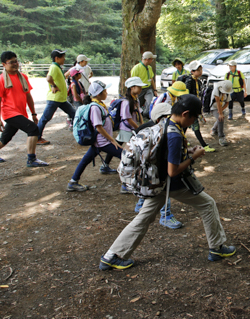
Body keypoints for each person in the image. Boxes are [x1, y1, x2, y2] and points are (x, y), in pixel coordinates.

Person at [98, 94, 236, 270]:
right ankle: (217, 248)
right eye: (193, 119)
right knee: (208, 204)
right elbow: (173, 170)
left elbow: (167, 154)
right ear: (185, 114)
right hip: (170, 182)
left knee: (143, 217)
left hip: (156, 181)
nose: (193, 123)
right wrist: (194, 157)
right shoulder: (175, 134)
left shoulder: (165, 123)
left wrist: (187, 152)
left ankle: (112, 255)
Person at [0, 51, 49, 168]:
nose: (15, 64)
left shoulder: (22, 77)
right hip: (10, 113)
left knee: (5, 138)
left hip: (20, 113)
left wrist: (34, 113)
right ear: (4, 64)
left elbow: (28, 96)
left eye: (16, 61)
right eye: (11, 62)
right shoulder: (1, 80)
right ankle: (31, 159)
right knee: (33, 129)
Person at [133, 103, 184, 230]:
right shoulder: (153, 130)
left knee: (150, 186)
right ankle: (165, 216)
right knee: (162, 186)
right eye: (166, 117)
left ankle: (141, 203)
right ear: (157, 119)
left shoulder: (170, 128)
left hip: (147, 168)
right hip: (149, 167)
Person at [67, 81, 123, 192]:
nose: (106, 93)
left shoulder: (99, 105)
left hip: (99, 142)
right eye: (105, 91)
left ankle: (73, 181)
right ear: (98, 94)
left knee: (85, 160)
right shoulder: (95, 108)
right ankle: (129, 183)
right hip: (103, 142)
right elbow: (98, 127)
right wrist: (112, 140)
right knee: (125, 156)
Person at [100, 77, 146, 175]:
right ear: (132, 88)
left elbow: (138, 113)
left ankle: (105, 165)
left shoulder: (135, 99)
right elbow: (127, 118)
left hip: (130, 128)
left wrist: (141, 124)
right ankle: (129, 168)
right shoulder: (126, 102)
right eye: (139, 87)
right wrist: (138, 127)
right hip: (127, 129)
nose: (141, 89)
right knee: (127, 148)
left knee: (116, 145)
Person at [37, 49, 76, 145]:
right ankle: (37, 137)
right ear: (57, 58)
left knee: (74, 113)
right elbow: (49, 78)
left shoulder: (58, 67)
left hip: (61, 99)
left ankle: (81, 132)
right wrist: (53, 86)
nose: (64, 59)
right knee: (45, 118)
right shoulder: (54, 67)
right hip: (55, 98)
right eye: (62, 57)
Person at [184, 61, 215, 153]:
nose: (200, 72)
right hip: (191, 107)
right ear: (192, 71)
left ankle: (183, 140)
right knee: (196, 127)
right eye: (198, 70)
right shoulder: (189, 81)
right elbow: (188, 95)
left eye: (201, 69)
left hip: (194, 106)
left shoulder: (198, 81)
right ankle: (204, 145)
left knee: (185, 126)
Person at [130, 51, 158, 118]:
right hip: (139, 89)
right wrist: (134, 92)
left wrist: (154, 90)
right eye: (151, 59)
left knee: (150, 101)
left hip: (148, 88)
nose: (152, 61)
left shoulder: (149, 68)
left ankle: (147, 115)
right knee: (138, 104)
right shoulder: (136, 68)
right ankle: (139, 116)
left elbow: (151, 79)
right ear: (147, 59)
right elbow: (132, 81)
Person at [210, 80, 233, 147]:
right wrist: (220, 113)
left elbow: (227, 103)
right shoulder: (216, 89)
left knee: (221, 117)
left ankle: (214, 129)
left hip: (221, 107)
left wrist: (221, 110)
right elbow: (217, 102)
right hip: (214, 108)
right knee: (220, 119)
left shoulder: (227, 93)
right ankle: (221, 137)